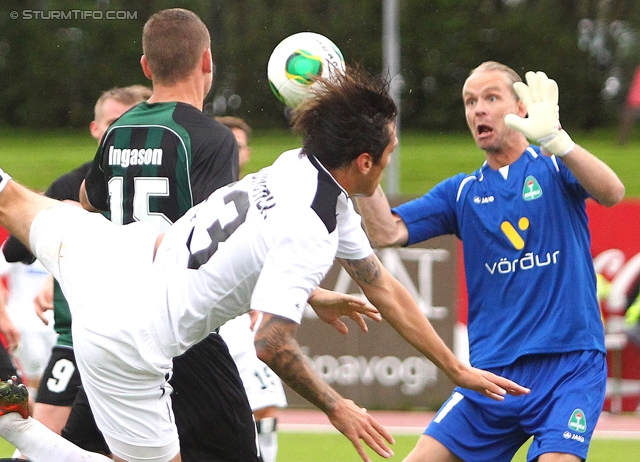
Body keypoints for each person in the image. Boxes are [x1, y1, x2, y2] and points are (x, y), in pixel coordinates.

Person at [0, 65, 528, 462]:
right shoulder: (311, 229)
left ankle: (17, 426)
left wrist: (455, 369)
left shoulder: (301, 167)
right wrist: (336, 406)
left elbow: (380, 285)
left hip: (113, 254)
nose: (388, 162)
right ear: (365, 161)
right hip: (129, 339)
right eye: (388, 153)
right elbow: (270, 343)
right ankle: (22, 432)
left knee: (11, 198)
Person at [354, 62, 625, 462]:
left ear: (520, 107)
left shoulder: (553, 167)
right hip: (491, 376)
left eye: (490, 98)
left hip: (568, 367)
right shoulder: (461, 192)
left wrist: (557, 139)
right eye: (469, 101)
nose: (477, 109)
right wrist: (360, 156)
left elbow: (612, 192)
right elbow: (385, 232)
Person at [2, 85, 152, 448]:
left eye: (128, 122)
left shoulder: (165, 182)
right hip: (76, 339)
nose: (119, 130)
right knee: (38, 443)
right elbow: (15, 250)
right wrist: (61, 250)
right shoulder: (72, 184)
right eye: (112, 122)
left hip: (147, 341)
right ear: (95, 129)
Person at [216, 116, 287, 462]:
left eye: (239, 145)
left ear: (247, 152)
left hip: (246, 322)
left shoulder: (261, 197)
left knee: (265, 406)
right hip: (205, 321)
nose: (233, 151)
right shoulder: (201, 193)